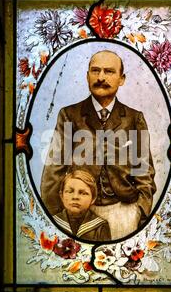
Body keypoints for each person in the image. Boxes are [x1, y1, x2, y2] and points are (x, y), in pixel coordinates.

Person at [41, 49, 156, 239]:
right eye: (95, 71)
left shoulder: (134, 118)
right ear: (87, 76)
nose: (101, 77)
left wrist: (140, 211)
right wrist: (54, 218)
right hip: (81, 214)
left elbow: (143, 171)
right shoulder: (69, 115)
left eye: (109, 72)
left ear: (122, 79)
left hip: (124, 212)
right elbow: (54, 169)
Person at [53, 169, 111, 242]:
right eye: (70, 191)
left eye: (83, 193)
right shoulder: (52, 222)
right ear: (62, 196)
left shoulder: (100, 226)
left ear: (93, 198)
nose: (75, 197)